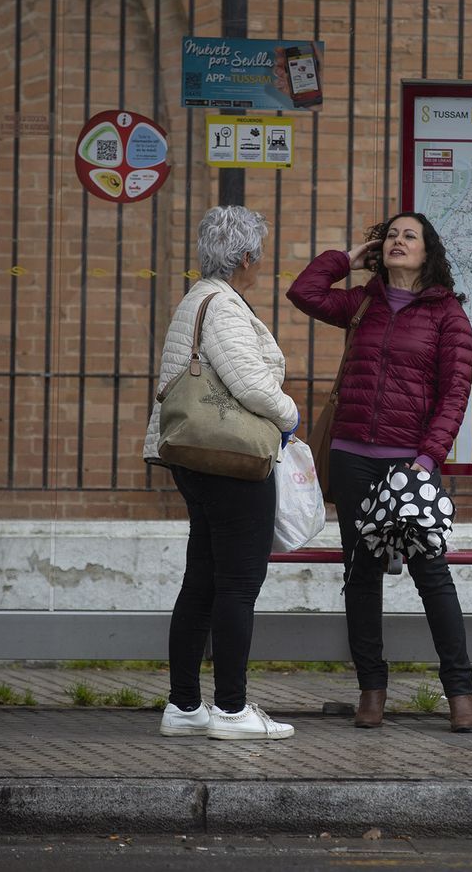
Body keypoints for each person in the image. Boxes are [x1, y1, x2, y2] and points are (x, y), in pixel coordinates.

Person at [287, 212, 472, 732]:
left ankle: (460, 693)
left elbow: (454, 395)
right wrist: (347, 259)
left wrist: (426, 459)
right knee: (362, 575)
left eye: (408, 236)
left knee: (431, 576)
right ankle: (372, 690)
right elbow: (304, 292)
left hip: (408, 464)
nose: (397, 241)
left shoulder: (448, 317)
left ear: (428, 252)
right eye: (391, 235)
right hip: (352, 459)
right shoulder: (363, 303)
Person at [144, 205, 301, 742]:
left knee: (203, 583)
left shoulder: (198, 299)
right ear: (247, 257)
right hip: (232, 464)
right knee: (238, 586)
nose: (262, 263)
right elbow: (252, 385)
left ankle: (185, 705)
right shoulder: (224, 307)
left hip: (197, 460)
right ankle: (232, 711)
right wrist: (290, 415)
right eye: (260, 254)